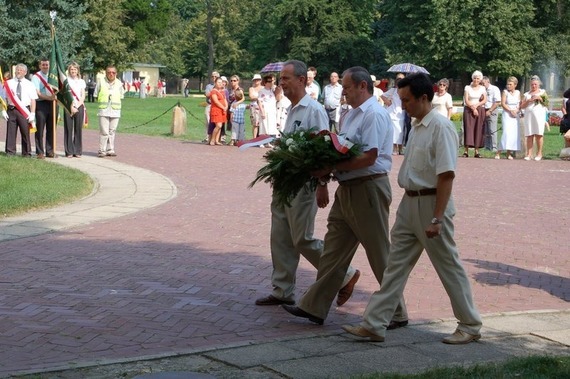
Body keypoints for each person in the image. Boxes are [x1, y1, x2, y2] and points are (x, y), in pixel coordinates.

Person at [342, 73, 482, 345]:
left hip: (431, 204)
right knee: (394, 267)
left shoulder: (440, 128)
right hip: (410, 203)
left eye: (407, 100)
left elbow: (446, 176)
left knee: (448, 266)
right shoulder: (417, 125)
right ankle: (375, 323)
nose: (403, 105)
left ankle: (470, 324)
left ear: (424, 98)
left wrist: (438, 217)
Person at [282, 66, 406, 327]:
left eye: (347, 87)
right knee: (333, 252)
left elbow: (369, 156)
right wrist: (326, 173)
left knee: (379, 252)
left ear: (363, 86)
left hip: (369, 188)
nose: (343, 93)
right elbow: (341, 148)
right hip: (347, 189)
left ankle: (396, 311)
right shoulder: (350, 116)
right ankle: (314, 306)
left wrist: (330, 168)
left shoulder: (374, 114)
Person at [255, 60, 360, 308]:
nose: (282, 83)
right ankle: (282, 290)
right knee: (280, 237)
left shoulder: (313, 109)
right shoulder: (291, 109)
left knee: (302, 238)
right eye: (281, 79)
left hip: (304, 183)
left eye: (286, 78)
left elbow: (324, 147)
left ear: (302, 80)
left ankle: (346, 274)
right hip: (285, 182)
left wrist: (322, 183)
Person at [4, 63, 37, 157]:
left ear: (25, 72)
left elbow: (33, 100)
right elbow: (3, 98)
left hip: (24, 111)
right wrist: (3, 109)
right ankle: (10, 151)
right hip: (11, 109)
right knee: (11, 131)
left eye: (21, 70)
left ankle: (26, 152)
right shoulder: (9, 83)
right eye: (17, 69)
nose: (18, 71)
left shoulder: (30, 84)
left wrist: (33, 113)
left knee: (25, 132)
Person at [95, 65, 124, 157]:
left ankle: (110, 149)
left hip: (115, 111)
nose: (111, 74)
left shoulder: (119, 83)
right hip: (104, 110)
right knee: (104, 131)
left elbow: (121, 96)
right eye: (109, 72)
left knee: (112, 131)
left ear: (116, 73)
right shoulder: (101, 82)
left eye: (113, 72)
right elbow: (96, 94)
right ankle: (102, 150)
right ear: (106, 73)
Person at [31, 58, 56, 159]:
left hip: (52, 104)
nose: (45, 66)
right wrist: (49, 98)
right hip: (41, 104)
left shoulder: (53, 76)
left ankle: (50, 151)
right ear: (40, 66)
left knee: (51, 129)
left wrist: (52, 99)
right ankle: (40, 152)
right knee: (40, 129)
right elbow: (37, 93)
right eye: (43, 65)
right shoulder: (36, 77)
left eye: (47, 64)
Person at [520, 75, 547, 161]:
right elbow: (522, 106)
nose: (534, 86)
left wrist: (540, 99)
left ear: (539, 84)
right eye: (532, 84)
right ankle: (529, 154)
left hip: (539, 116)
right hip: (529, 116)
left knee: (539, 134)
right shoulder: (527, 94)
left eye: (535, 84)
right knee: (529, 135)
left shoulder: (542, 92)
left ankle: (539, 153)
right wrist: (528, 101)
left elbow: (547, 104)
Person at [462, 70, 487, 158]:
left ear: (480, 79)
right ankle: (466, 151)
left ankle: (477, 151)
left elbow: (484, 100)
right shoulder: (467, 87)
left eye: (478, 78)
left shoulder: (482, 88)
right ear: (472, 78)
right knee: (468, 129)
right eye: (474, 78)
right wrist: (473, 108)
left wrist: (476, 106)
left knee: (478, 129)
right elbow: (466, 100)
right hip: (469, 109)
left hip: (479, 109)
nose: (476, 80)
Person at [63, 62, 86, 158]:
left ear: (77, 71)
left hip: (79, 105)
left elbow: (83, 95)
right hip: (68, 106)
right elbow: (64, 95)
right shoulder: (66, 81)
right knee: (68, 128)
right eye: (71, 69)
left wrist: (77, 105)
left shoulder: (81, 81)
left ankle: (77, 150)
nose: (73, 71)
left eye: (75, 69)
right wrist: (71, 106)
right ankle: (69, 151)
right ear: (69, 70)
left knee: (78, 129)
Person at [496, 76, 521, 160]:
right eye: (507, 84)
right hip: (507, 113)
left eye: (510, 84)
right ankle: (498, 152)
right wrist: (510, 110)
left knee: (513, 134)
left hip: (515, 114)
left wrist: (517, 111)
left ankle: (508, 153)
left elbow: (519, 104)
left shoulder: (518, 92)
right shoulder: (505, 92)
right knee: (506, 133)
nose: (508, 86)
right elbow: (503, 104)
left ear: (515, 85)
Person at [381, 73, 405, 155]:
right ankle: (394, 147)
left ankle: (401, 147)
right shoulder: (393, 90)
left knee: (401, 131)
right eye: (398, 80)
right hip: (392, 113)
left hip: (401, 113)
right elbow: (383, 96)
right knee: (394, 131)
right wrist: (388, 102)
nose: (399, 81)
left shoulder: (406, 91)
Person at [257, 74, 278, 147]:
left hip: (272, 110)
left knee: (269, 127)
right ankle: (261, 142)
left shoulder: (272, 90)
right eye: (269, 81)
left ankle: (268, 142)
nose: (271, 83)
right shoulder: (262, 91)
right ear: (265, 82)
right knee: (264, 126)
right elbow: (259, 101)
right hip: (265, 110)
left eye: (272, 81)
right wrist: (262, 111)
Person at [482, 76, 501, 152]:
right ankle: (487, 146)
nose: (482, 85)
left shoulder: (494, 89)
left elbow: (497, 102)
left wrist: (490, 111)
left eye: (483, 83)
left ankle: (494, 147)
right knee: (486, 130)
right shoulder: (482, 90)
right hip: (483, 109)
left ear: (488, 81)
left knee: (492, 129)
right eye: (481, 84)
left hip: (492, 109)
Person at [208, 77, 227, 146]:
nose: (220, 84)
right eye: (218, 82)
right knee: (218, 125)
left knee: (220, 126)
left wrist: (226, 107)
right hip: (216, 110)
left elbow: (225, 100)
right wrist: (223, 107)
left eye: (221, 82)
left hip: (222, 111)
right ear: (215, 83)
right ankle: (212, 139)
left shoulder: (222, 91)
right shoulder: (213, 91)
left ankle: (216, 140)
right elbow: (216, 101)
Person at [204, 71, 219, 142]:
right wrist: (214, 93)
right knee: (208, 121)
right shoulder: (209, 86)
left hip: (217, 106)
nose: (214, 78)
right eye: (212, 76)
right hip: (210, 105)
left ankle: (216, 138)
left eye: (215, 76)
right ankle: (207, 137)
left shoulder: (220, 86)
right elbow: (207, 94)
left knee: (217, 123)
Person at [249, 74, 263, 138]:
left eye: (258, 80)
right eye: (255, 80)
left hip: (262, 107)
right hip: (254, 107)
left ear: (260, 80)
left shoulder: (263, 88)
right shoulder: (251, 88)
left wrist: (257, 97)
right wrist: (259, 98)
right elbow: (251, 97)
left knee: (262, 123)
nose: (256, 81)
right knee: (255, 124)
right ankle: (254, 138)